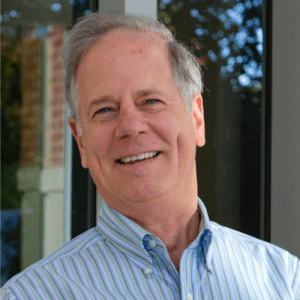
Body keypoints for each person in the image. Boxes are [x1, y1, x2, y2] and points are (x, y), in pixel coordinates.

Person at [1, 13, 300, 300]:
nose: (130, 126)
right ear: (80, 141)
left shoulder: (283, 279)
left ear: (196, 118)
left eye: (151, 101)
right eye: (105, 110)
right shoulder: (31, 295)